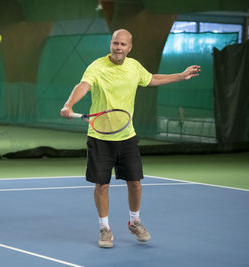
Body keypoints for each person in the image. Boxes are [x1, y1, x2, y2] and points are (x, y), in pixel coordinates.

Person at [60, 29, 200, 248]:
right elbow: (83, 86)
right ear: (111, 44)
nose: (118, 47)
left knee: (135, 182)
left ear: (129, 47)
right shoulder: (96, 66)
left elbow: (152, 79)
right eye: (115, 43)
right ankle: (104, 228)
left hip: (127, 137)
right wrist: (69, 104)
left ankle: (135, 221)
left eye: (123, 44)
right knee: (102, 185)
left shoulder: (134, 67)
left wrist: (180, 76)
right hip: (100, 138)